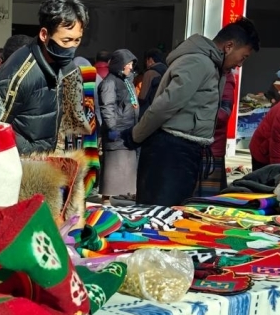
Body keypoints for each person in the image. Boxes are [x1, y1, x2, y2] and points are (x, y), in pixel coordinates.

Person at [130, 17, 260, 206]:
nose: (240, 64)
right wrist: (136, 136)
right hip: (170, 153)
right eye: (244, 57)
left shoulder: (213, 67)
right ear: (229, 46)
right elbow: (165, 104)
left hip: (184, 151)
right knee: (160, 213)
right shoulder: (199, 62)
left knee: (174, 212)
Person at [0, 0, 89, 156]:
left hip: (48, 162)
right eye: (66, 41)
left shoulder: (67, 69)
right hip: (18, 165)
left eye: (77, 40)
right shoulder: (18, 75)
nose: (72, 48)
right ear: (44, 35)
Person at [98, 49, 139, 200]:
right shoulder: (109, 82)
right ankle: (106, 197)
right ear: (120, 65)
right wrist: (112, 127)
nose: (131, 67)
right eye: (128, 64)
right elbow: (107, 106)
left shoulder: (127, 81)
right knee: (112, 165)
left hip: (128, 128)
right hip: (117, 129)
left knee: (127, 164)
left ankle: (128, 192)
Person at [136, 48, 167, 116]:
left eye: (146, 60)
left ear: (150, 59)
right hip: (163, 109)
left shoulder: (150, 73)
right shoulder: (167, 71)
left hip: (149, 111)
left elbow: (142, 97)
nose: (146, 63)